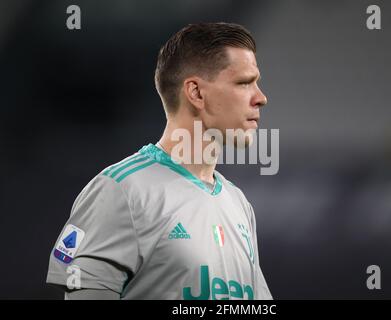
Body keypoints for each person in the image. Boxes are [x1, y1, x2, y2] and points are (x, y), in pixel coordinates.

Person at [46, 22, 272, 300]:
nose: (261, 98)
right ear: (196, 93)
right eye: (244, 82)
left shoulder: (238, 204)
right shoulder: (121, 191)